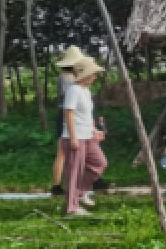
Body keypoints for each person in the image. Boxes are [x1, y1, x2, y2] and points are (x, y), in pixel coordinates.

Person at [60, 56, 108, 216]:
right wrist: (73, 137)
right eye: (93, 73)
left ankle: (79, 193)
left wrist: (95, 130)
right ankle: (71, 208)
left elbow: (87, 114)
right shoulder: (73, 90)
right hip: (75, 137)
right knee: (73, 171)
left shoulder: (85, 91)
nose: (95, 76)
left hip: (88, 136)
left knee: (99, 163)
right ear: (84, 74)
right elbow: (69, 112)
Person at [50, 45, 84, 196]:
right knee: (65, 152)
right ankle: (58, 185)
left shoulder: (64, 77)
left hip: (65, 114)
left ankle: (57, 184)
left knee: (63, 152)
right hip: (69, 114)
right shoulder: (69, 79)